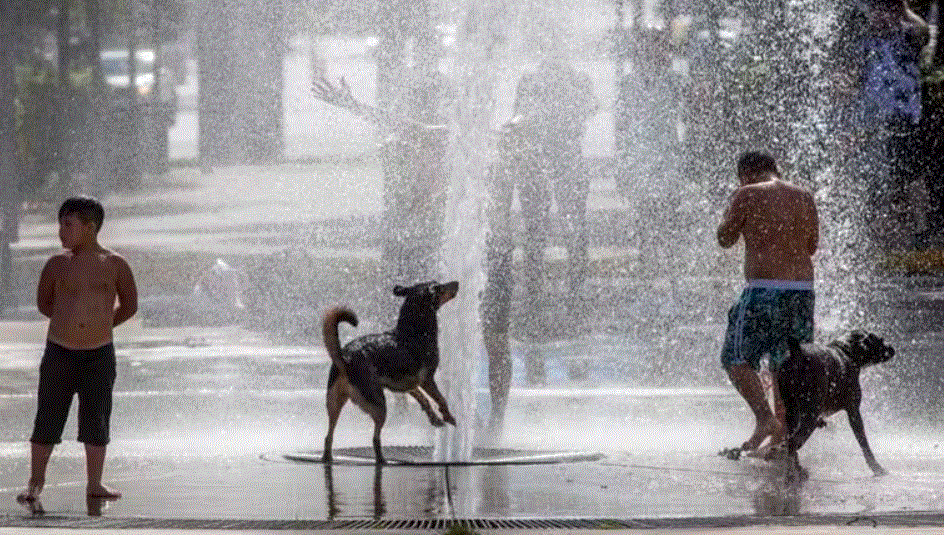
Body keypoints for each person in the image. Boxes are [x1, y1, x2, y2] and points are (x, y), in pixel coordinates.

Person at [18, 196, 138, 502]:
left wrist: (102, 324)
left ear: (90, 227)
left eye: (68, 225)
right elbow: (45, 303)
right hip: (60, 350)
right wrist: (67, 322)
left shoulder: (115, 264)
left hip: (98, 352)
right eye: (60, 224)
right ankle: (35, 481)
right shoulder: (57, 264)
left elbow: (130, 305)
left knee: (96, 416)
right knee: (48, 415)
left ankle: (94, 483)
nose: (61, 231)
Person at [716, 152, 819, 454]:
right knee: (785, 365)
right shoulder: (804, 195)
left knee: (735, 359)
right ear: (776, 170)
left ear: (745, 175)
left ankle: (765, 420)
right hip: (802, 292)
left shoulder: (746, 194)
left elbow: (725, 238)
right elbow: (812, 247)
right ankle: (781, 439)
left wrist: (728, 215)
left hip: (764, 291)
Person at [832, 0, 930, 249]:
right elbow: (850, 79)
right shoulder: (864, 44)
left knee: (910, 177)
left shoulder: (906, 38)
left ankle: (920, 233)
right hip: (871, 120)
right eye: (876, 12)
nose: (880, 17)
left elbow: (924, 32)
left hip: (906, 117)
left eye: (886, 12)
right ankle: (865, 236)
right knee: (869, 177)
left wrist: (904, 10)